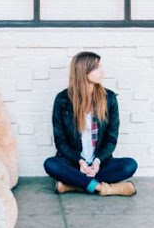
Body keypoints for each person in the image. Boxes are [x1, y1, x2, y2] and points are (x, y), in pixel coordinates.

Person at [44, 51, 138, 196]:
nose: (102, 70)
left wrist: (97, 162)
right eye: (96, 67)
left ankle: (73, 185)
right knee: (51, 164)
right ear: (83, 71)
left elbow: (111, 138)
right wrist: (80, 162)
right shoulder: (63, 100)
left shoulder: (109, 99)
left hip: (100, 163)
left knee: (130, 165)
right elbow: (60, 141)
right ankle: (104, 188)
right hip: (74, 163)